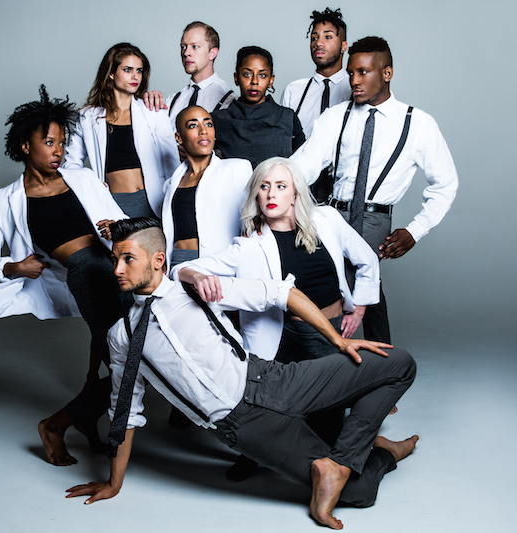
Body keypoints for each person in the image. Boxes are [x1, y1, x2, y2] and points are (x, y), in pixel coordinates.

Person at [66, 217, 419, 530]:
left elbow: (281, 292)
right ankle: (381, 452)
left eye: (128, 259)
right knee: (359, 493)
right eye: (115, 260)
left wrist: (338, 340)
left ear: (158, 260)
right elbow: (124, 411)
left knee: (399, 364)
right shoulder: (123, 336)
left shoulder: (196, 288)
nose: (117, 270)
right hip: (243, 426)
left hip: (270, 380)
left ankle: (343, 458)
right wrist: (113, 483)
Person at [174, 157, 380, 479]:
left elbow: (367, 260)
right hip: (286, 337)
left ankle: (334, 464)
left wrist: (359, 309)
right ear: (256, 195)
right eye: (264, 186)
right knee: (269, 405)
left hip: (333, 330)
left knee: (331, 411)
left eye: (281, 186)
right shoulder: (248, 246)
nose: (271, 193)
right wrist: (197, 276)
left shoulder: (327, 219)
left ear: (295, 194)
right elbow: (182, 269)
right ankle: (254, 455)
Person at [0, 86, 130, 465]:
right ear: (25, 146)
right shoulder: (5, 200)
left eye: (61, 143)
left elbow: (122, 223)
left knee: (136, 357)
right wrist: (13, 267)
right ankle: (56, 425)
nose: (58, 150)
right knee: (129, 361)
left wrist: (117, 230)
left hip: (118, 270)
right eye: (48, 142)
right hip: (86, 277)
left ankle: (83, 417)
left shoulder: (83, 179)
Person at [292, 36, 459, 344]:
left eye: (363, 72)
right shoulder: (336, 117)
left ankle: (346, 360)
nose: (354, 80)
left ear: (387, 73)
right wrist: (271, 187)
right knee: (351, 287)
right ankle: (373, 360)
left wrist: (415, 230)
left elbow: (445, 183)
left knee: (347, 289)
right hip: (333, 214)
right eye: (351, 72)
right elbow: (302, 167)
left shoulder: (417, 123)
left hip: (374, 220)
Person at [62, 42, 179, 219]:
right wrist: (92, 188)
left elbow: (172, 163)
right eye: (127, 70)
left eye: (139, 71)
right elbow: (71, 166)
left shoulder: (153, 112)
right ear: (111, 73)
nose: (135, 76)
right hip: (111, 204)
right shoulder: (88, 117)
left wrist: (174, 203)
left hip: (153, 202)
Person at [162, 105, 253, 270]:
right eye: (193, 125)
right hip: (177, 265)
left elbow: (251, 227)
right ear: (179, 137)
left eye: (208, 124)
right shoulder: (170, 184)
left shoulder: (237, 169)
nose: (203, 131)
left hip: (219, 266)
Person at [212, 46, 305, 168]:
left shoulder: (288, 118)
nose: (254, 81)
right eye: (247, 74)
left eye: (262, 75)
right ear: (236, 78)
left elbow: (302, 167)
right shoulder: (217, 120)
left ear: (271, 80)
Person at [281, 8, 352, 139]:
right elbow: (282, 139)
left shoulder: (355, 88)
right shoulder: (293, 91)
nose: (318, 43)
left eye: (328, 37)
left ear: (344, 46)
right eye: (314, 38)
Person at [156, 22, 236, 126]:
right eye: (183, 47)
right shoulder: (171, 101)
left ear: (212, 53)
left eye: (195, 46)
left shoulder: (230, 101)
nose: (186, 53)